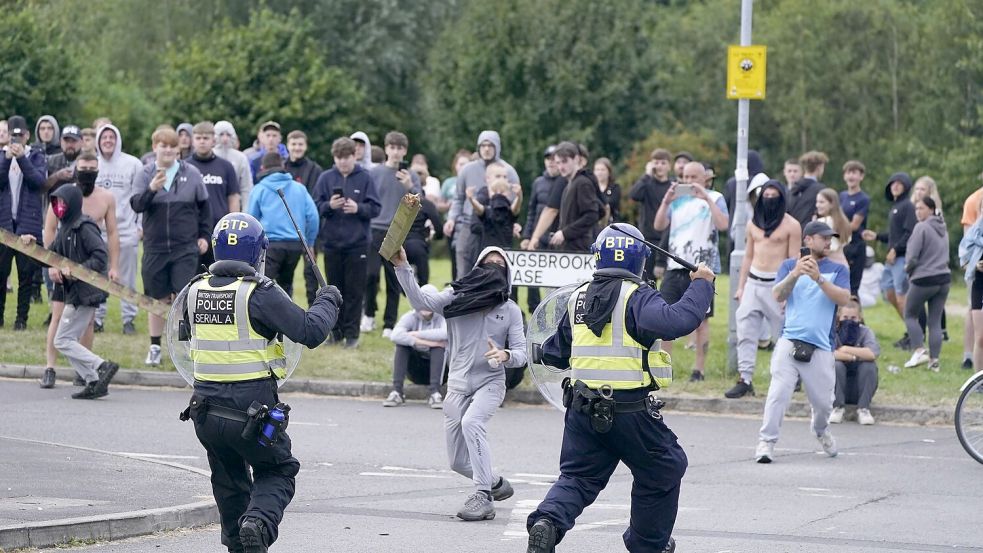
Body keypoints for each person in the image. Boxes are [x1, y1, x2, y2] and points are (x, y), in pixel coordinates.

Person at [525, 223, 715, 553]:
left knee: (579, 478)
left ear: (597, 257)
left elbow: (556, 354)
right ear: (639, 261)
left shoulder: (577, 298)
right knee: (663, 469)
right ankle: (648, 544)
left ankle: (549, 522)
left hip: (581, 411)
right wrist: (700, 285)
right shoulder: (636, 297)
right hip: (629, 413)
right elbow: (677, 322)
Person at [180, 212, 342, 553]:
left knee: (228, 481)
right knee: (279, 470)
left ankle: (239, 545)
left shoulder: (194, 290)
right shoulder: (258, 293)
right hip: (251, 410)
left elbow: (184, 342)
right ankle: (258, 523)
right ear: (258, 254)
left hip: (204, 410)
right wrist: (328, 299)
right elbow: (310, 331)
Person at [391, 245, 526, 522]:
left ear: (507, 274)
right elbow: (421, 302)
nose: (493, 267)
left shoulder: (510, 309)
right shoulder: (455, 297)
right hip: (457, 384)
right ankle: (495, 483)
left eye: (499, 264)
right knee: (457, 462)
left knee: (472, 423)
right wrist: (402, 267)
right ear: (476, 268)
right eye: (488, 262)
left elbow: (523, 354)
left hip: (490, 382)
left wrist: (505, 355)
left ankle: (483, 496)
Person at [755, 221, 851, 464]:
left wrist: (819, 278)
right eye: (824, 238)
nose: (829, 242)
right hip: (790, 340)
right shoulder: (789, 266)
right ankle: (766, 442)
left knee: (823, 404)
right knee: (778, 393)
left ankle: (820, 429)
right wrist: (796, 273)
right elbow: (777, 295)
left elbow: (843, 298)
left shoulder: (838, 269)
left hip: (821, 346)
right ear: (808, 240)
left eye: (831, 238)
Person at [131, 126, 211, 367]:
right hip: (155, 247)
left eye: (171, 146)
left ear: (179, 149)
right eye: (162, 145)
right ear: (154, 147)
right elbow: (136, 205)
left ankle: (187, 346)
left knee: (185, 298)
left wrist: (205, 235)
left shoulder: (193, 173)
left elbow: (205, 209)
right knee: (156, 301)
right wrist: (152, 189)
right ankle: (155, 346)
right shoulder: (145, 173)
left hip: (185, 247)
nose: (167, 150)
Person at [41, 150, 119, 388]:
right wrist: (50, 262)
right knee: (57, 320)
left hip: (86, 278)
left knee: (84, 323)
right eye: (83, 169)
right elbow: (50, 233)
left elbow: (109, 239)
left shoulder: (101, 203)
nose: (87, 173)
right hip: (63, 272)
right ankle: (51, 368)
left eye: (91, 169)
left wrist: (113, 267)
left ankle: (90, 373)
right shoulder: (63, 200)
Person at [654, 161, 728, 381]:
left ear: (704, 178)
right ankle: (664, 367)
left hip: (701, 269)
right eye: (685, 177)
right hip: (675, 265)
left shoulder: (715, 198)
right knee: (664, 316)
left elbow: (723, 225)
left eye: (693, 177)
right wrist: (666, 201)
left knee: (701, 320)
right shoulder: (677, 201)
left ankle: (699, 369)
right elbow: (658, 225)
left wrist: (705, 197)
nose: (688, 182)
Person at [729, 178, 801, 399]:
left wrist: (788, 292)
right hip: (753, 282)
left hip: (777, 284)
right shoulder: (753, 223)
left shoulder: (791, 225)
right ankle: (745, 378)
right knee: (746, 332)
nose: (770, 200)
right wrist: (741, 287)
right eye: (766, 196)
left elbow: (793, 260)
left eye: (774, 196)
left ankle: (788, 377)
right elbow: (748, 256)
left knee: (784, 334)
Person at [313, 137, 380, 347]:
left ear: (354, 156)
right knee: (332, 291)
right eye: (339, 158)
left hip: (357, 244)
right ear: (334, 158)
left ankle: (352, 336)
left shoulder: (365, 178)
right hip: (332, 244)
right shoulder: (325, 177)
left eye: (346, 157)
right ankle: (335, 333)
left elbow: (376, 208)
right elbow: (316, 206)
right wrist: (329, 206)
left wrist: (358, 209)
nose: (343, 162)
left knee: (354, 291)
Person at [365, 131, 421, 335]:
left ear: (405, 151)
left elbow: (419, 203)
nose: (396, 152)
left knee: (393, 278)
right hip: (374, 228)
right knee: (370, 275)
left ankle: (389, 323)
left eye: (400, 148)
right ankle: (369, 314)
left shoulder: (411, 175)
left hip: (397, 230)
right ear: (386, 148)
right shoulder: (374, 172)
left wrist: (410, 186)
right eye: (392, 147)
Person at [444, 130, 520, 278]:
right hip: (468, 224)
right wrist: (451, 219)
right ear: (478, 147)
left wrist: (513, 223)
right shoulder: (467, 170)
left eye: (490, 145)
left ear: (497, 147)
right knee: (465, 271)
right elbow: (459, 198)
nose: (486, 149)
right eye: (483, 145)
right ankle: (463, 300)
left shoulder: (508, 171)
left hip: (497, 228)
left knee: (495, 272)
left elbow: (514, 201)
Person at [93, 123, 143, 335]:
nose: (108, 141)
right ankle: (97, 318)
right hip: (96, 231)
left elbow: (140, 198)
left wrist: (139, 227)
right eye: (104, 137)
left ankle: (128, 319)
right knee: (97, 275)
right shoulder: (91, 164)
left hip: (125, 229)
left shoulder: (132, 164)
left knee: (127, 278)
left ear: (118, 140)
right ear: (98, 140)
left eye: (111, 137)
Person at [247, 153, 318, 300]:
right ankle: (285, 319)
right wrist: (309, 243)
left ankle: (264, 321)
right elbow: (313, 217)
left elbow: (251, 220)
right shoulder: (300, 188)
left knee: (261, 287)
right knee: (286, 285)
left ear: (262, 167)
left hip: (270, 245)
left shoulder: (259, 189)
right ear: (283, 166)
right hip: (295, 245)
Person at [0, 115, 48, 330]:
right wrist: (8, 159)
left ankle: (22, 319)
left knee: (25, 276)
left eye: (20, 135)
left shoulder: (36, 156)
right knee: (1, 274)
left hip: (28, 224)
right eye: (13, 135)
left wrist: (21, 158)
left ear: (27, 135)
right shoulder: (2, 156)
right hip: (4, 224)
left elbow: (38, 182)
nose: (16, 139)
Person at [862, 172, 917, 350]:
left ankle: (914, 335)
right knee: (889, 293)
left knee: (902, 298)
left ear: (906, 186)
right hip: (891, 260)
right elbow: (895, 235)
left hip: (901, 258)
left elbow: (910, 233)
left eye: (899, 183)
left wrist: (896, 249)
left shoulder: (907, 206)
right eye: (893, 183)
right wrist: (877, 236)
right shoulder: (895, 206)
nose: (895, 186)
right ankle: (911, 331)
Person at [901, 197, 949, 372]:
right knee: (935, 321)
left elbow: (912, 257)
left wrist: (907, 268)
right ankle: (934, 361)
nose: (917, 212)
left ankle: (919, 350)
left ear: (930, 209)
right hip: (944, 277)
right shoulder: (943, 228)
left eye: (921, 208)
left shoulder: (921, 227)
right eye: (916, 209)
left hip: (924, 278)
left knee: (910, 314)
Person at [384, 285, 448, 409]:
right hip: (416, 371)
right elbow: (395, 335)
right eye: (422, 301)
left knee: (439, 347)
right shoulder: (410, 316)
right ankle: (397, 392)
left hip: (441, 372)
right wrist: (428, 342)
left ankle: (435, 393)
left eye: (430, 301)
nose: (425, 305)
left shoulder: (442, 316)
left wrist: (416, 334)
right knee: (402, 345)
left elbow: (445, 333)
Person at [187, 121, 241, 269]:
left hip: (221, 230)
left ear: (213, 141)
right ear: (193, 141)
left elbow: (233, 197)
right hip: (193, 229)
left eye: (206, 138)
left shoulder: (226, 166)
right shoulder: (186, 166)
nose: (202, 142)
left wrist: (234, 227)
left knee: (219, 274)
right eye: (198, 138)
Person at [829, 300, 880, 425]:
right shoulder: (833, 332)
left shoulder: (865, 332)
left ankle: (864, 409)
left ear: (860, 318)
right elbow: (827, 354)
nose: (849, 321)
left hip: (859, 386)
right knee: (836, 365)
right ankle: (837, 407)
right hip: (836, 387)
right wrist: (854, 357)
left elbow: (872, 353)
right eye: (845, 317)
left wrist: (846, 350)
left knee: (869, 365)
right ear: (838, 317)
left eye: (853, 318)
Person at [547, 141, 604, 252]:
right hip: (571, 249)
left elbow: (592, 215)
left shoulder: (583, 183)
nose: (561, 167)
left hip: (579, 249)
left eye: (564, 162)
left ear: (576, 159)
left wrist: (565, 233)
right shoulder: (570, 184)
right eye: (558, 163)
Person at [628, 148, 673, 282]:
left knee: (668, 285)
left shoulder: (673, 186)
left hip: (668, 241)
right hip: (647, 240)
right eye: (656, 162)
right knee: (645, 283)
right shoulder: (646, 183)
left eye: (663, 163)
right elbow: (634, 195)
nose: (659, 166)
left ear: (669, 166)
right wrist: (647, 174)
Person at [467, 162, 521, 252]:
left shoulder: (507, 202)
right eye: (498, 176)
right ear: (487, 179)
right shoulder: (481, 198)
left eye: (505, 177)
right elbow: (474, 226)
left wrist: (512, 226)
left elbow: (511, 214)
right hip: (480, 248)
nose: (502, 180)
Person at [960, 172, 983, 370]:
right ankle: (976, 374)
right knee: (980, 334)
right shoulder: (973, 201)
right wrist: (974, 263)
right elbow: (966, 248)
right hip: (978, 278)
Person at [839, 160, 870, 296]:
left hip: (855, 247)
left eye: (854, 173)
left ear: (861, 176)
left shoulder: (863, 199)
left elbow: (854, 225)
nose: (851, 176)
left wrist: (834, 232)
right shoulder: (842, 196)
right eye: (848, 172)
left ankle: (854, 317)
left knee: (852, 290)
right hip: (841, 245)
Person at [214, 120, 254, 208]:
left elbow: (246, 187)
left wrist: (246, 211)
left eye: (228, 134)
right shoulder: (210, 155)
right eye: (221, 134)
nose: (225, 138)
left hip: (235, 206)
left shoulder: (240, 157)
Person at [787, 151, 827, 228]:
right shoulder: (821, 190)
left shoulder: (792, 189)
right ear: (819, 167)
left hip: (792, 233)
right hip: (810, 234)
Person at [813, 188, 851, 266]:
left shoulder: (822, 222)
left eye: (821, 202)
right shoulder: (844, 221)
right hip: (842, 264)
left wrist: (813, 224)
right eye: (817, 202)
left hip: (828, 266)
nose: (817, 205)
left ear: (832, 204)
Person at [594, 157, 621, 224]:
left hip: (611, 224)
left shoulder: (615, 188)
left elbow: (612, 203)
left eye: (603, 170)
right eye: (597, 170)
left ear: (609, 172)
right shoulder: (591, 188)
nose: (599, 172)